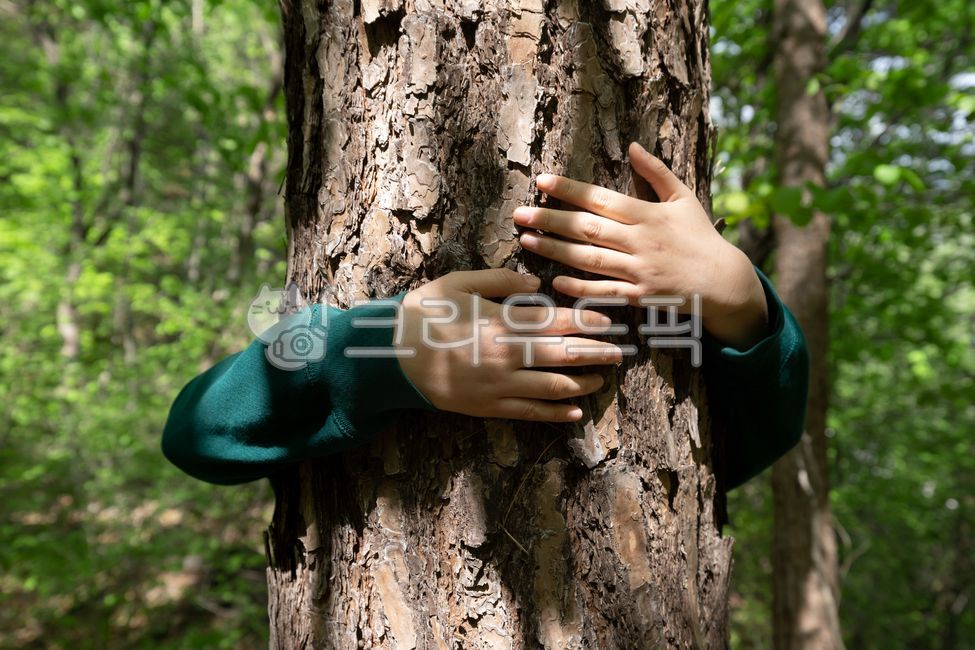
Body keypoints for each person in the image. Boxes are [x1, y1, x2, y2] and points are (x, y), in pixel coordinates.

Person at [161, 142, 809, 490]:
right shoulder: (314, 322)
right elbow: (198, 430)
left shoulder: (685, 329)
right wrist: (378, 350)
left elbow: (755, 438)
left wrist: (743, 302)